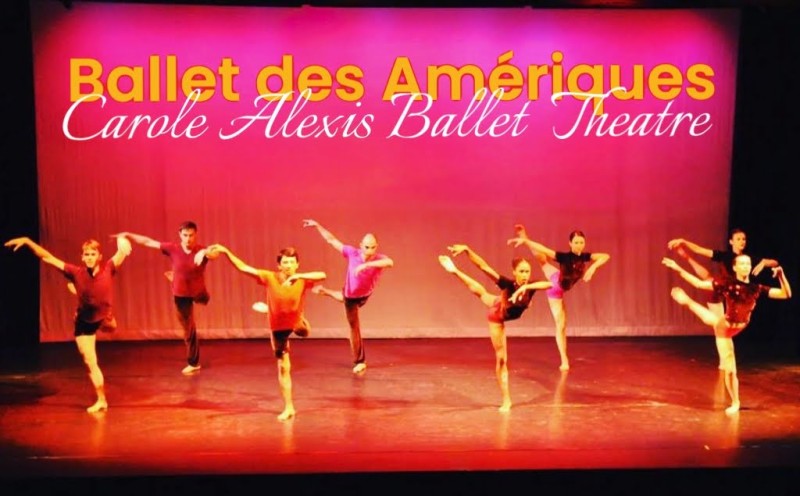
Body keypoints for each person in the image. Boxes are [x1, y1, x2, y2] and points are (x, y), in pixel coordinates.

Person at [5, 235, 132, 412]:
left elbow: (122, 252)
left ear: (99, 256)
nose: (89, 257)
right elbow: (47, 257)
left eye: (92, 254)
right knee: (90, 362)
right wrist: (27, 241)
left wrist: (123, 241)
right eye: (86, 254)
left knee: (111, 328)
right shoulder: (75, 272)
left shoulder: (109, 268)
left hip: (104, 318)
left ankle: (85, 299)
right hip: (84, 324)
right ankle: (101, 400)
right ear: (82, 257)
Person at [207, 243, 325, 421]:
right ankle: (289, 407)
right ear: (279, 265)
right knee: (284, 367)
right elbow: (244, 268)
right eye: (285, 262)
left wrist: (298, 276)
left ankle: (270, 310)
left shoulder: (302, 279)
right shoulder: (270, 277)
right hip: (278, 327)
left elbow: (323, 275)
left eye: (292, 262)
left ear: (297, 264)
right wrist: (225, 251)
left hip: (296, 321)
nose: (289, 265)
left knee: (305, 331)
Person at [662, 254, 791, 415]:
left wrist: (780, 275)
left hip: (740, 325)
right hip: (725, 328)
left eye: (748, 263)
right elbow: (699, 284)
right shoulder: (726, 283)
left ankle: (688, 302)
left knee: (714, 321)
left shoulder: (756, 288)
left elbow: (786, 294)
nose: (746, 266)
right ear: (735, 267)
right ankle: (735, 402)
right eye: (742, 264)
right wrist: (677, 268)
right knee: (730, 368)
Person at [438, 243, 551, 412]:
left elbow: (548, 285)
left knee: (484, 295)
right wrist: (468, 250)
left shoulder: (530, 286)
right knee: (502, 359)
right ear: (514, 273)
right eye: (521, 271)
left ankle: (456, 272)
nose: (525, 275)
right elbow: (484, 267)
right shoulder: (507, 284)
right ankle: (507, 400)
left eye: (527, 271)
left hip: (500, 303)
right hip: (497, 316)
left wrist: (527, 287)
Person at [667, 229, 779, 368]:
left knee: (723, 328)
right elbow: (700, 250)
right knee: (719, 326)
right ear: (731, 241)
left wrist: (763, 263)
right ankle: (724, 362)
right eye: (738, 239)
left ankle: (725, 362)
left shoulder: (748, 259)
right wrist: (684, 242)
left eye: (744, 239)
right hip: (721, 291)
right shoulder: (724, 256)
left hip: (736, 297)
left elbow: (775, 263)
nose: (742, 242)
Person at [117, 221, 218, 374]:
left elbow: (216, 252)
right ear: (180, 235)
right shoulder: (173, 248)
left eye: (191, 235)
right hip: (181, 294)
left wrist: (204, 252)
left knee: (203, 299)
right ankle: (194, 363)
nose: (188, 239)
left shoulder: (201, 249)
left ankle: (176, 278)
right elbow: (148, 242)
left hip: (198, 291)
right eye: (185, 235)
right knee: (188, 329)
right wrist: (128, 235)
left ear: (196, 235)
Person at [507, 225, 610, 371]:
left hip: (555, 276)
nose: (579, 245)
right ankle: (564, 360)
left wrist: (593, 268)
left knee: (542, 261)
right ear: (570, 243)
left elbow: (605, 256)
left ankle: (525, 238)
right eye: (576, 242)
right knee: (561, 326)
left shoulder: (585, 257)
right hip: (556, 289)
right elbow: (543, 249)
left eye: (581, 242)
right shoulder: (564, 257)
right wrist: (527, 241)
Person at [302, 219, 394, 374]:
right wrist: (318, 225)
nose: (369, 250)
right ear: (360, 245)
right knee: (353, 326)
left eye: (372, 247)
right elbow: (332, 240)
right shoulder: (352, 253)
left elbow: (390, 262)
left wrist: (366, 265)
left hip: (365, 294)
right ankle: (360, 361)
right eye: (366, 247)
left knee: (344, 299)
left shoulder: (379, 258)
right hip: (351, 296)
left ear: (376, 247)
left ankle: (326, 292)